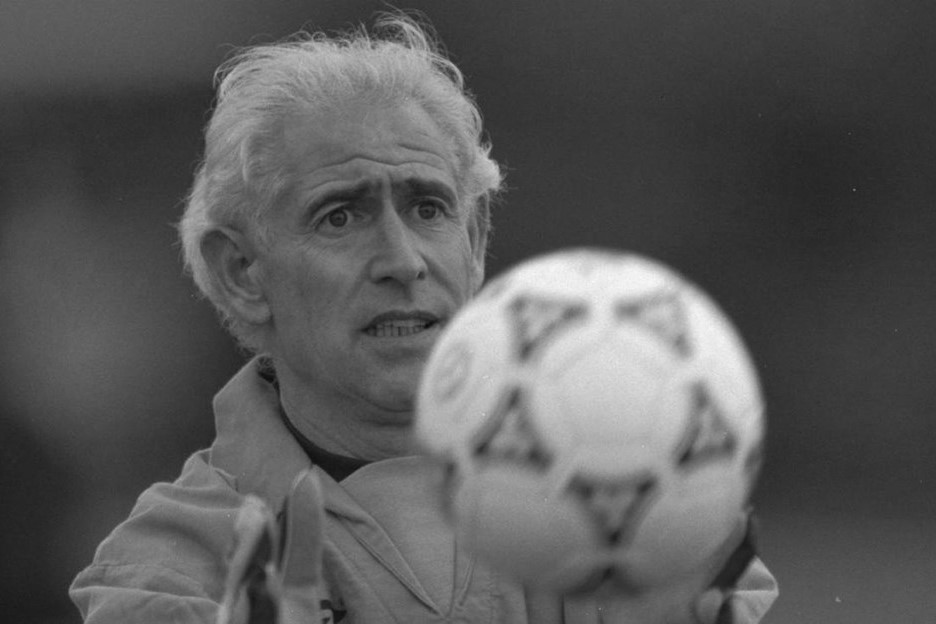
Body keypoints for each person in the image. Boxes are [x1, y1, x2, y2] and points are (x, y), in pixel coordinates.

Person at [70, 13, 777, 624]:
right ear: (241, 272)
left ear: (475, 240)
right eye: (340, 216)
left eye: (428, 208)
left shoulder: (635, 500)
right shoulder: (173, 569)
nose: (402, 261)